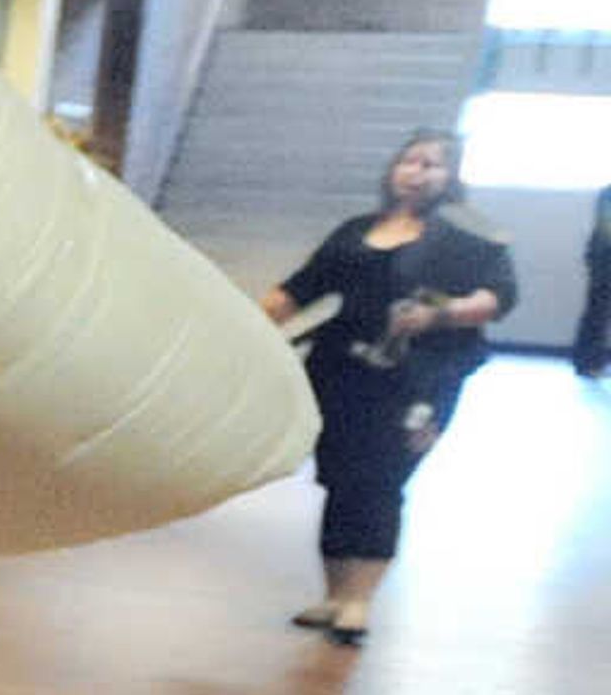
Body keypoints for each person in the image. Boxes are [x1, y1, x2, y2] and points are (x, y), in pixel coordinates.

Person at [257, 130, 516, 644]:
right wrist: (241, 324)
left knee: (380, 480)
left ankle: (359, 600)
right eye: (409, 160)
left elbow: (498, 298)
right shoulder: (356, 231)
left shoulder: (467, 240)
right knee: (338, 478)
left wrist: (439, 315)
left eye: (432, 164)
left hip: (416, 379)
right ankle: (334, 595)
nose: (417, 171)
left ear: (451, 177)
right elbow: (298, 290)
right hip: (341, 371)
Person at [573, 176, 609, 381]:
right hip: (604, 259)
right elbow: (607, 228)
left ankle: (591, 361)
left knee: (597, 312)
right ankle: (587, 362)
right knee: (597, 312)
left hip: (602, 256)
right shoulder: (608, 193)